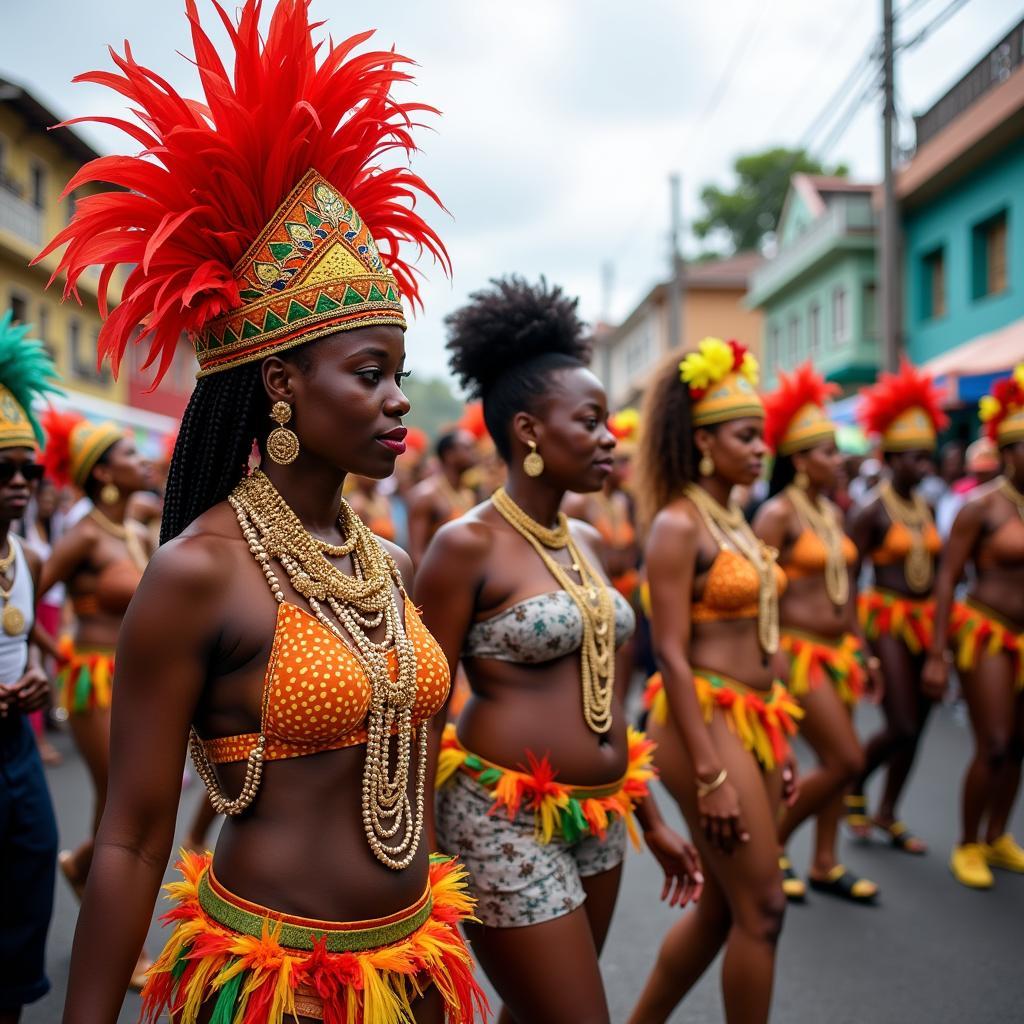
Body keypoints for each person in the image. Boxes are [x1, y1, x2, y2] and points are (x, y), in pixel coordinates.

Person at [40, 4, 485, 1021]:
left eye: (399, 376)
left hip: (413, 964)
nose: (394, 402)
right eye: (369, 374)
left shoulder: (387, 560)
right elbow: (131, 835)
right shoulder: (201, 570)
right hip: (272, 983)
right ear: (281, 383)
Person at [419, 276, 701, 1024]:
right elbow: (418, 704)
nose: (612, 438)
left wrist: (650, 816)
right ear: (529, 431)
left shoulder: (586, 540)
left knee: (533, 1011)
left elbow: (602, 693)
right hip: (497, 817)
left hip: (601, 816)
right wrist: (409, 856)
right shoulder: (464, 545)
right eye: (592, 420)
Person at [629, 338, 800, 1024]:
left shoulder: (737, 518)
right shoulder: (678, 524)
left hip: (754, 720)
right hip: (702, 727)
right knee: (764, 908)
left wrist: (779, 744)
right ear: (703, 442)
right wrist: (710, 774)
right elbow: (668, 653)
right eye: (745, 437)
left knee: (725, 909)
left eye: (761, 437)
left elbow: (766, 638)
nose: (761, 449)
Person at [36, 408, 155, 988]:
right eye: (129, 455)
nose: (141, 462)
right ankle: (117, 953)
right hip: (92, 680)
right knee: (121, 812)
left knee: (127, 806)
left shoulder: (131, 531)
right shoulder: (84, 534)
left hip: (133, 681)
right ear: (103, 471)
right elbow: (29, 593)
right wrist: (41, 656)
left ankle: (79, 866)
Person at [754, 364, 880, 903]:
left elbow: (844, 586)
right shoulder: (777, 514)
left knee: (835, 764)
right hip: (796, 654)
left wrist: (863, 647)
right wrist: (770, 661)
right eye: (827, 451)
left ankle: (826, 862)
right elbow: (756, 597)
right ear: (800, 459)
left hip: (841, 652)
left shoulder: (832, 512)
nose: (839, 459)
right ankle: (771, 849)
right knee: (846, 760)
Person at [926, 367, 1024, 888]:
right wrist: (938, 653)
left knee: (1021, 745)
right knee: (994, 742)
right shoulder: (979, 508)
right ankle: (966, 843)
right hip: (985, 631)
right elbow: (946, 580)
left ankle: (997, 835)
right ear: (1006, 451)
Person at [846, 361, 947, 855]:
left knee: (919, 728)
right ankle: (853, 782)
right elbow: (843, 575)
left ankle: (888, 812)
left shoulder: (926, 508)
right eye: (912, 457)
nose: (923, 467)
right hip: (884, 618)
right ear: (888, 458)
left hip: (925, 620)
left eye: (926, 457)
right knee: (901, 721)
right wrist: (857, 642)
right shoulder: (869, 511)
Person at [0, 315, 61, 1024]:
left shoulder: (31, 557)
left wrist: (45, 675)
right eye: (3, 471)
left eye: (28, 470)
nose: (20, 483)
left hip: (17, 751)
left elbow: (36, 637)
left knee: (30, 874)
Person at [563, 407, 641, 602]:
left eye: (630, 462)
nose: (628, 469)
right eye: (622, 461)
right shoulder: (578, 502)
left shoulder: (623, 500)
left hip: (628, 598)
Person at [406, 430, 478, 565]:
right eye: (468, 448)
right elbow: (416, 554)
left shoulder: (468, 494)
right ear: (449, 455)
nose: (474, 452)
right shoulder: (426, 495)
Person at [347, 475, 398, 542]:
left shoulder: (383, 500)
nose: (374, 479)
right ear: (358, 477)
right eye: (367, 475)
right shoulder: (357, 503)